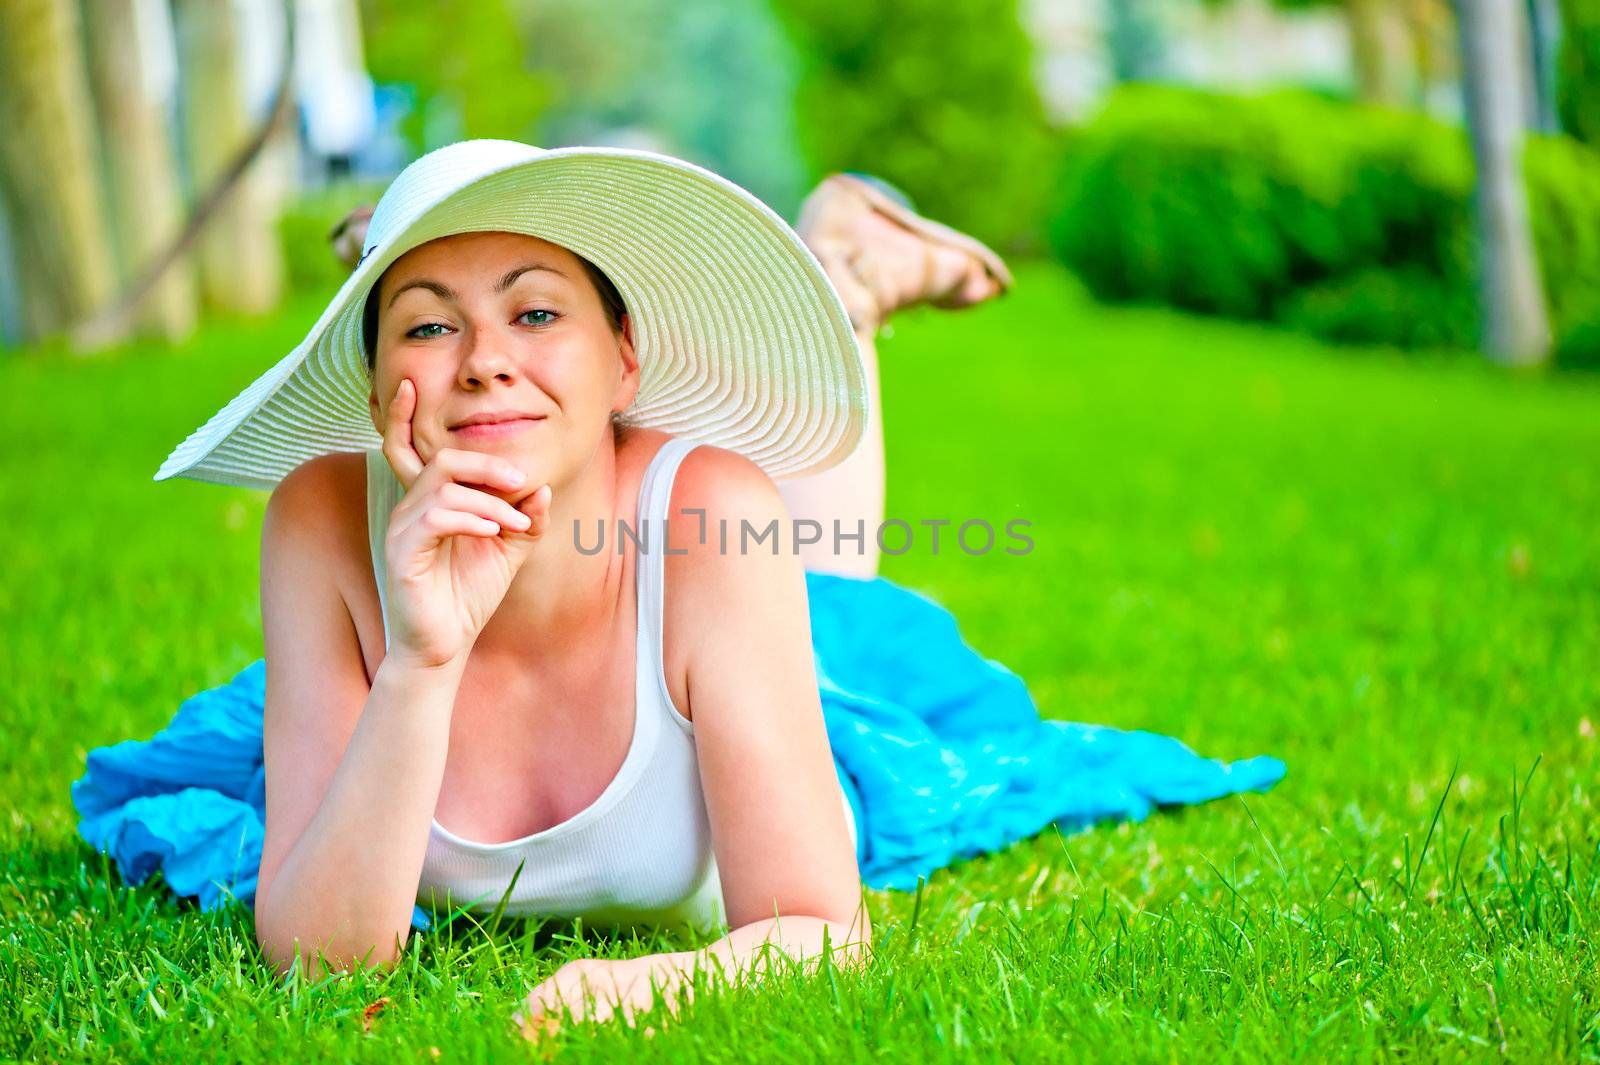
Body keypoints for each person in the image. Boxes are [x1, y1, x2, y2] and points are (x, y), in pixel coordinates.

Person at [73, 141, 1285, 1039]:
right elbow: (324, 965)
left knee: (824, 580)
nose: (485, 357)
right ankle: (435, 242)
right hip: (519, 591)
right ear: (378, 377)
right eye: (426, 326)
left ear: (626, 366)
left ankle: (846, 277)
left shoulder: (710, 516)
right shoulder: (323, 520)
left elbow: (818, 925)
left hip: (732, 600)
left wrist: (636, 984)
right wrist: (421, 661)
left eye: (535, 312)